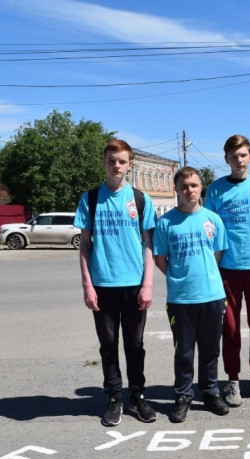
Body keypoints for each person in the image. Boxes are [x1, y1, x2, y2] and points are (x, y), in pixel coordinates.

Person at [74, 139, 157, 427]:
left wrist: (148, 284)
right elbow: (84, 244)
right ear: (104, 163)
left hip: (134, 284)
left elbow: (149, 244)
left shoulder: (140, 198)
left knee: (135, 345)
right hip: (103, 284)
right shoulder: (91, 198)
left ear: (130, 164)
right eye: (112, 160)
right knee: (108, 345)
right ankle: (114, 398)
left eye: (122, 161)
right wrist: (87, 284)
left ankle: (137, 396)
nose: (117, 165)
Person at [153, 166, 230, 423]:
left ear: (201, 189)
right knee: (184, 352)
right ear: (176, 189)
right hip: (180, 300)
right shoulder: (165, 223)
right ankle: (183, 396)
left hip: (212, 296)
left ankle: (210, 392)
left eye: (194, 186)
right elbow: (161, 259)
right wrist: (179, 279)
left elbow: (217, 256)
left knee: (210, 350)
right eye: (184, 186)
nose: (189, 190)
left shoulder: (213, 220)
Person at [205, 134, 250, 407]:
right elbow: (208, 229)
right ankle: (232, 381)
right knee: (230, 328)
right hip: (227, 270)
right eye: (234, 156)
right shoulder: (216, 190)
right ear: (226, 159)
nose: (239, 160)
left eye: (243, 155)